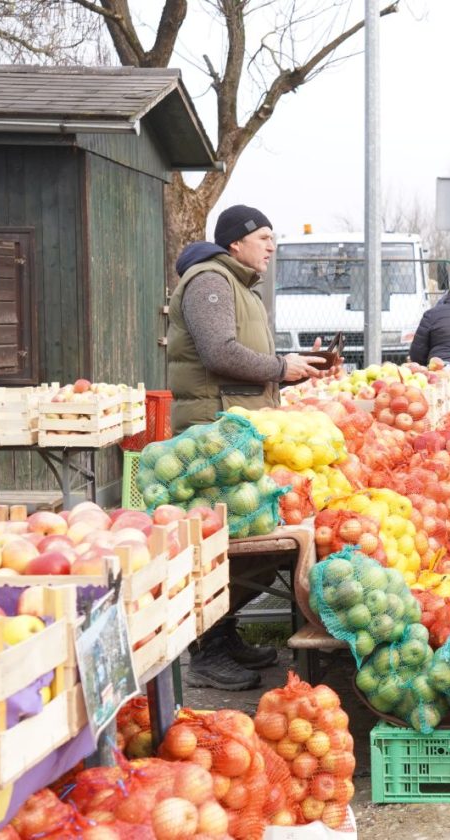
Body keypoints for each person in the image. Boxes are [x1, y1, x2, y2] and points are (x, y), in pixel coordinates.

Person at [168, 204, 325, 691]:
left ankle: (224, 633)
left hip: (234, 432)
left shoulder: (238, 285)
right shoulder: (209, 281)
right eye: (262, 237)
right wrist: (282, 368)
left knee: (242, 541)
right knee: (226, 543)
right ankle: (207, 649)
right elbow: (220, 353)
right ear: (234, 242)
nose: (271, 246)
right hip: (211, 436)